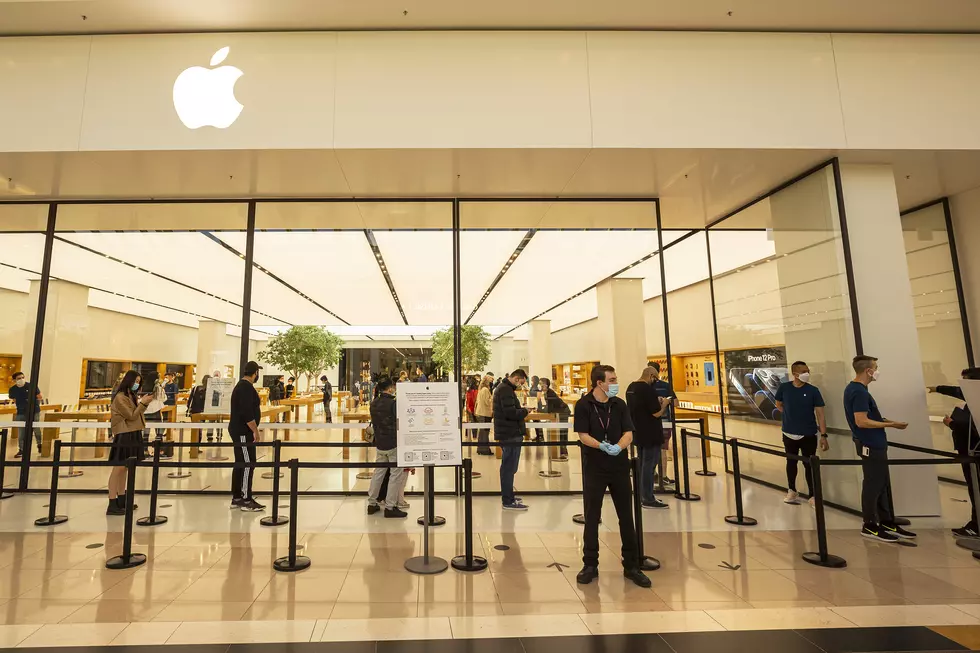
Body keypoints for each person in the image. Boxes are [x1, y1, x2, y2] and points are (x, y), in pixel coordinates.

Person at [575, 364, 651, 588]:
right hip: (595, 467)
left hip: (619, 467)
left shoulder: (619, 405)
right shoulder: (584, 405)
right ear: (599, 383)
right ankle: (590, 564)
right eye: (612, 380)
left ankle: (631, 565)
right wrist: (601, 446)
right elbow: (582, 435)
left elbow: (628, 432)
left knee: (626, 516)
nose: (615, 383)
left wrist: (618, 447)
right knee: (592, 516)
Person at [844, 355, 914, 542]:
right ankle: (869, 524)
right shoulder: (858, 392)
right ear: (868, 370)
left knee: (881, 484)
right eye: (876, 367)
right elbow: (861, 421)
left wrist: (891, 422)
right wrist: (890, 426)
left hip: (875, 443)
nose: (877, 370)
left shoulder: (859, 390)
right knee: (873, 484)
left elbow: (869, 417)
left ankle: (886, 521)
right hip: (870, 444)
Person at [929, 367, 980, 538]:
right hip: (968, 451)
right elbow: (955, 391)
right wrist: (937, 389)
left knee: (976, 489)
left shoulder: (976, 400)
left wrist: (951, 424)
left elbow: (972, 430)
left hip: (973, 453)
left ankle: (976, 525)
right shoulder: (972, 397)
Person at [774, 361, 829, 505]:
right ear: (795, 373)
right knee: (791, 462)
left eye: (808, 371)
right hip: (788, 433)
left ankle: (813, 495)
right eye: (804, 371)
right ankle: (791, 490)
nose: (807, 374)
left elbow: (820, 414)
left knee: (809, 464)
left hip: (808, 434)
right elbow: (778, 403)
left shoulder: (813, 391)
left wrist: (823, 435)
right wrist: (788, 415)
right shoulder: (785, 388)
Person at [108, 370, 152, 515]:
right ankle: (112, 502)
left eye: (139, 381)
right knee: (118, 469)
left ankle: (122, 498)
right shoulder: (120, 398)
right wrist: (143, 404)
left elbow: (135, 414)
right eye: (135, 381)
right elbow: (131, 415)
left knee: (125, 468)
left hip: (132, 433)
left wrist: (142, 403)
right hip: (124, 435)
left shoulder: (131, 396)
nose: (137, 384)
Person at [626, 366, 670, 509]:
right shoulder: (647, 389)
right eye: (655, 378)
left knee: (641, 463)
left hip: (638, 431)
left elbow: (640, 407)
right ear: (651, 376)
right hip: (651, 433)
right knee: (649, 465)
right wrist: (664, 404)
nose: (655, 381)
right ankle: (648, 498)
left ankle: (640, 494)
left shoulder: (631, 388)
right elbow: (656, 413)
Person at [366, 380, 408, 518]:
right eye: (393, 387)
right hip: (393, 442)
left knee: (378, 472)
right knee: (395, 475)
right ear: (390, 389)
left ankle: (372, 503)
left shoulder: (374, 403)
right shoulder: (393, 403)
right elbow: (399, 421)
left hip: (380, 443)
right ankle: (390, 506)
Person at [230, 361, 265, 512]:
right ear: (255, 372)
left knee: (241, 462)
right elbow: (246, 412)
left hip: (242, 430)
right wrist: (255, 430)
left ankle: (237, 497)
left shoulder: (243, 386)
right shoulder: (245, 388)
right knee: (247, 463)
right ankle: (245, 498)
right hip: (243, 432)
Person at [494, 369, 529, 510]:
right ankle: (508, 500)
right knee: (509, 468)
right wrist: (525, 411)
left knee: (509, 467)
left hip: (508, 433)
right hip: (510, 434)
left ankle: (508, 495)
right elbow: (510, 413)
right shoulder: (505, 390)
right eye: (520, 382)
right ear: (515, 378)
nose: (521, 385)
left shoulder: (504, 389)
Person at [649, 362, 677, 488]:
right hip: (665, 421)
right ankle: (663, 475)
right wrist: (666, 401)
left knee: (651, 449)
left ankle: (654, 474)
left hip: (650, 422)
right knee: (663, 449)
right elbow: (676, 403)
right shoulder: (666, 386)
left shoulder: (646, 387)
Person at [9, 372, 42, 458]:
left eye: (22, 377)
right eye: (19, 378)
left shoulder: (31, 386)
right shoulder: (13, 389)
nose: (21, 379)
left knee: (36, 427)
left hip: (34, 411)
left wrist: (34, 404)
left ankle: (40, 444)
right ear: (14, 380)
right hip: (21, 412)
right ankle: (22, 449)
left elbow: (39, 396)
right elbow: (15, 399)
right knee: (21, 431)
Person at [540, 378, 571, 458]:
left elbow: (549, 409)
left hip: (563, 412)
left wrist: (540, 409)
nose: (539, 385)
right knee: (560, 432)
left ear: (545, 385)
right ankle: (561, 451)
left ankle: (563, 451)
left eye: (541, 384)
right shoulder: (545, 393)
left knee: (562, 432)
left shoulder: (550, 393)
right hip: (560, 412)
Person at [475, 376, 494, 455]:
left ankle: (480, 448)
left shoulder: (481, 389)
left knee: (482, 432)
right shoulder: (486, 390)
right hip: (485, 413)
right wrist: (493, 398)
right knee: (485, 432)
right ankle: (484, 449)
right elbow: (487, 402)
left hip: (480, 412)